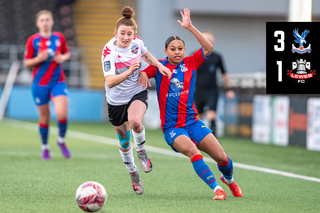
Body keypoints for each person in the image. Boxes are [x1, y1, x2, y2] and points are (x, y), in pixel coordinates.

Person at [139, 8, 242, 200]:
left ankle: (229, 179)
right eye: (173, 49)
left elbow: (208, 47)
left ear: (185, 50)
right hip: (173, 127)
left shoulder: (191, 63)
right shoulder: (160, 66)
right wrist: (144, 73)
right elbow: (142, 72)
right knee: (193, 151)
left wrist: (190, 27)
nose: (177, 52)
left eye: (180, 48)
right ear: (165, 51)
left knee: (222, 157)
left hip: (193, 122)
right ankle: (217, 189)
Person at [101, 6, 171, 195]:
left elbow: (145, 54)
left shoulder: (137, 43)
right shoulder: (109, 52)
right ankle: (133, 172)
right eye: (122, 33)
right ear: (116, 33)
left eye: (129, 34)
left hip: (135, 93)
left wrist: (159, 66)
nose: (125, 37)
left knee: (135, 122)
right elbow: (110, 81)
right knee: (124, 142)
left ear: (134, 34)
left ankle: (141, 149)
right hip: (115, 101)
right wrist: (130, 71)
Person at [24, 10, 71, 160]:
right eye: (42, 20)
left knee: (62, 114)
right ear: (38, 23)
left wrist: (62, 58)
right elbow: (26, 62)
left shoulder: (59, 37)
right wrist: (38, 58)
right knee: (45, 118)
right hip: (40, 83)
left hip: (58, 81)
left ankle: (61, 141)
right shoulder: (32, 40)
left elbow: (67, 53)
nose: (45, 22)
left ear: (52, 22)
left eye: (47, 20)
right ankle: (45, 147)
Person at [193, 30, 235, 136]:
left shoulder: (217, 57)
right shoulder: (194, 55)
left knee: (212, 114)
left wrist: (229, 89)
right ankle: (199, 136)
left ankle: (214, 137)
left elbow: (224, 74)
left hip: (212, 90)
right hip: (198, 90)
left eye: (209, 40)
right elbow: (188, 73)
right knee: (199, 116)